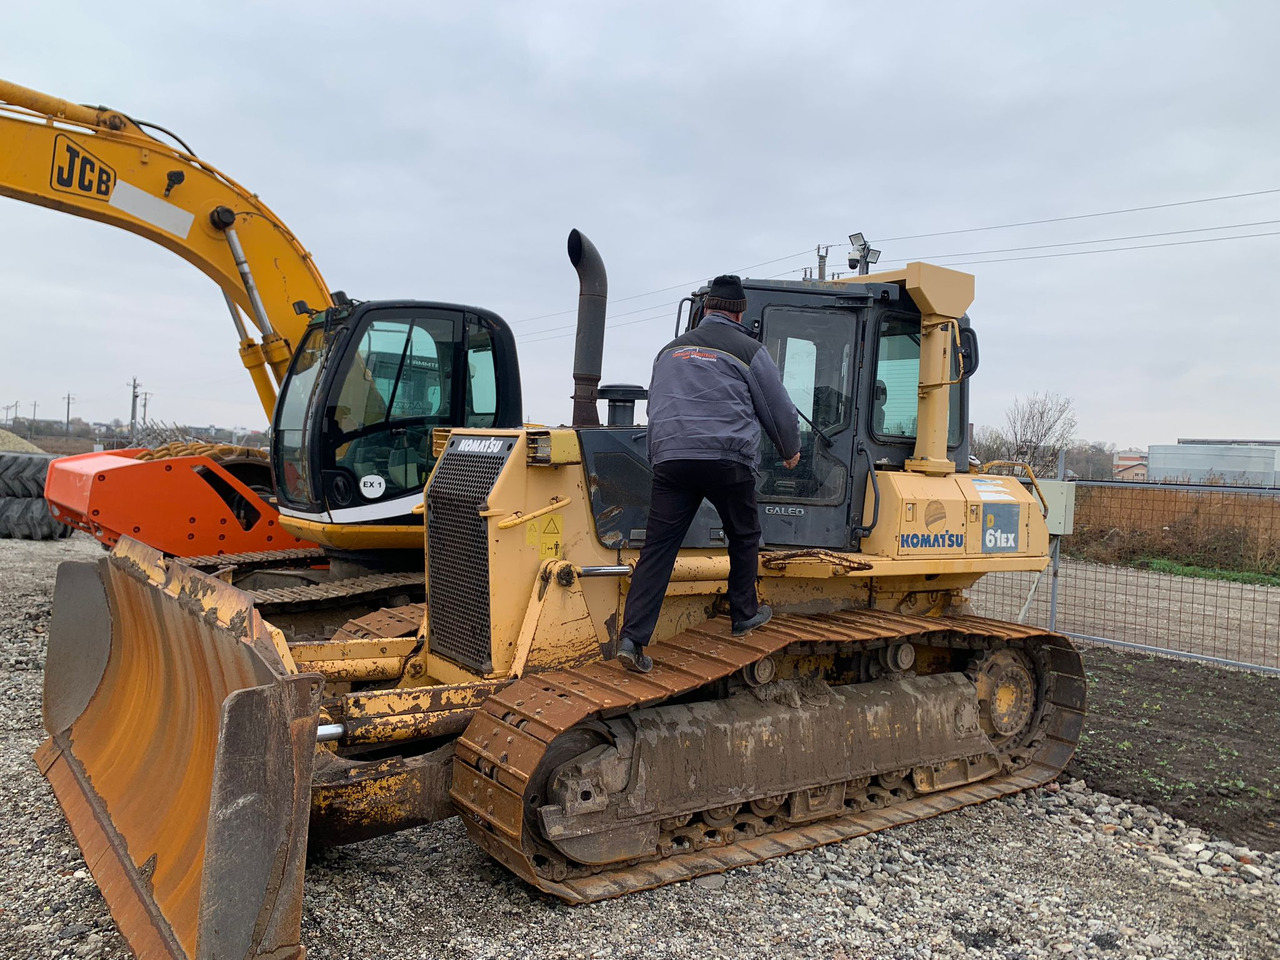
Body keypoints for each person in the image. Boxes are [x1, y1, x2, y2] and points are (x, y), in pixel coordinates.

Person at [616, 274, 801, 674]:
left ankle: (632, 639)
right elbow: (778, 409)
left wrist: (663, 455)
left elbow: (657, 407)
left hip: (671, 460)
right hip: (726, 459)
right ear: (740, 311)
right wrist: (790, 450)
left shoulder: (668, 351)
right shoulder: (749, 349)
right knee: (745, 533)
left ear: (703, 309)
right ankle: (744, 614)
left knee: (659, 549)